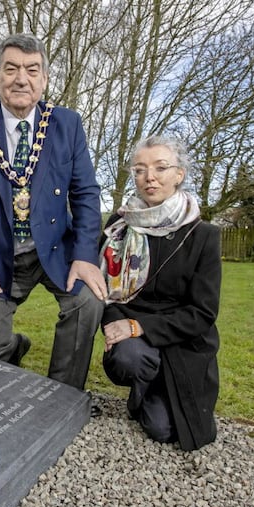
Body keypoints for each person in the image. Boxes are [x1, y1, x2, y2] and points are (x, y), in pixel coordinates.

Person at [0, 33, 107, 393]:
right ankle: (14, 346)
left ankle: (61, 395)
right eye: (11, 69)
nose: (21, 78)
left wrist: (85, 256)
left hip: (54, 252)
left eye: (32, 70)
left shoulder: (67, 124)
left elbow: (86, 193)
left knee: (88, 301)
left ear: (44, 79)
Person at [100, 135, 221, 451]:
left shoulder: (203, 236)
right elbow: (108, 288)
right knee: (127, 358)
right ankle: (146, 383)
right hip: (135, 341)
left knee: (165, 430)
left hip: (182, 342)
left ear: (179, 174)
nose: (149, 177)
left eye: (160, 167)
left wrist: (140, 327)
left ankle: (160, 390)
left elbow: (203, 313)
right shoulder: (119, 226)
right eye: (139, 170)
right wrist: (116, 325)